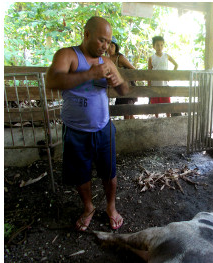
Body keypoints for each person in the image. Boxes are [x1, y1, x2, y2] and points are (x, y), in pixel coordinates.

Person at [44, 16, 131, 231]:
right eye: (102, 40)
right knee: (80, 174)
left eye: (109, 42)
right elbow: (52, 81)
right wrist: (90, 74)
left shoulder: (108, 62)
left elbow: (125, 91)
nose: (106, 46)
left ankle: (111, 207)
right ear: (87, 34)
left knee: (109, 173)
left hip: (103, 128)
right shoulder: (68, 55)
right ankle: (88, 208)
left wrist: (117, 82)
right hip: (75, 130)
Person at [147, 35, 178, 118]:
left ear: (163, 45)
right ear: (154, 46)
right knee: (156, 106)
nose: (159, 47)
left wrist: (171, 76)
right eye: (157, 45)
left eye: (161, 45)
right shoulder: (151, 58)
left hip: (165, 85)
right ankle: (157, 119)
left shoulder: (166, 56)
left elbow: (176, 65)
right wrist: (149, 85)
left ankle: (168, 119)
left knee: (167, 104)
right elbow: (149, 73)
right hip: (155, 86)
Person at [110, 41, 137, 120]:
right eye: (108, 45)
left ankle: (130, 128)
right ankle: (133, 128)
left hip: (127, 86)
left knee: (127, 110)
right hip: (119, 88)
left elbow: (133, 69)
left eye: (112, 46)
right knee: (127, 111)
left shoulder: (120, 58)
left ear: (116, 47)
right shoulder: (106, 58)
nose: (109, 48)